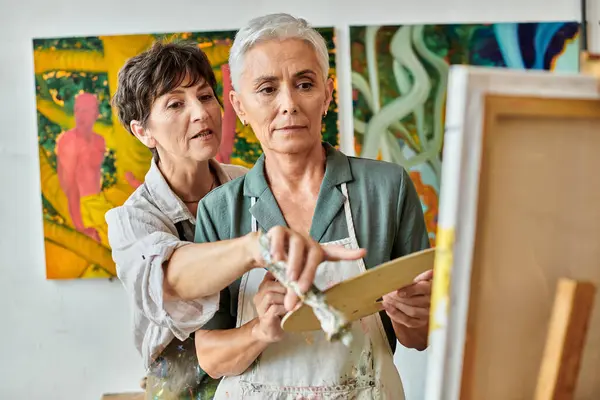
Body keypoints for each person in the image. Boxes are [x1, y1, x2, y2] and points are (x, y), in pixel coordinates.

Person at [105, 40, 364, 399]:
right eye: (176, 104)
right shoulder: (132, 220)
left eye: (206, 96)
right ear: (142, 131)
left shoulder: (247, 184)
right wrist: (256, 248)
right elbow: (173, 278)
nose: (200, 113)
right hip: (179, 380)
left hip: (262, 365)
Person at [192, 13, 433, 399]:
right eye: (267, 89)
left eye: (304, 84)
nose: (288, 104)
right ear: (239, 105)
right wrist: (260, 330)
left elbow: (418, 337)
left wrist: (417, 316)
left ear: (328, 93)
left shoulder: (387, 188)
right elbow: (210, 357)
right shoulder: (219, 210)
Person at [56, 92, 111, 245]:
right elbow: (69, 185)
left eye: (85, 110)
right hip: (82, 208)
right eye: (77, 110)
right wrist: (81, 228)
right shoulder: (69, 142)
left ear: (96, 113)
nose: (80, 115)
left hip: (99, 203)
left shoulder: (99, 141)